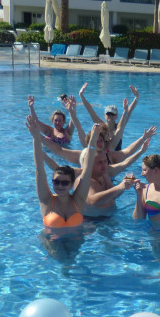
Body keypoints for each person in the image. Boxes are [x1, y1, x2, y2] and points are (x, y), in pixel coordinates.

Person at [25, 99, 100, 231]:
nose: (59, 186)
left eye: (64, 183)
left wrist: (92, 142)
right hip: (51, 243)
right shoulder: (46, 200)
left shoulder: (78, 200)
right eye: (56, 182)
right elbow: (39, 169)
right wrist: (36, 138)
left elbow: (87, 170)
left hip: (77, 243)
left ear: (71, 185)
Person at [79, 83, 140, 150]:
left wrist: (136, 98)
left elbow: (128, 112)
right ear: (104, 116)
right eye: (108, 114)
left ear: (116, 116)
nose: (110, 116)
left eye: (112, 114)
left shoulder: (119, 127)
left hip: (117, 156)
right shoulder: (101, 126)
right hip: (103, 156)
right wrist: (81, 95)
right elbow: (91, 111)